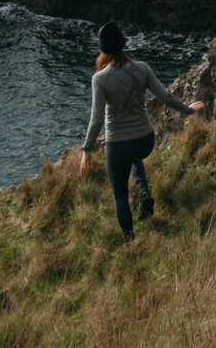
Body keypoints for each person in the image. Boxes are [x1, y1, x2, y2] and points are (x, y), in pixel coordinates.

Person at [77, 21, 204, 242]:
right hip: (145, 140)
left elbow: (97, 119)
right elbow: (165, 97)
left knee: (119, 195)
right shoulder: (143, 68)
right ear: (123, 45)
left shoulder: (100, 79)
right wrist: (188, 109)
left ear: (102, 50)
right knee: (134, 155)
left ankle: (129, 241)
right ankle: (143, 191)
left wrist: (87, 150)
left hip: (117, 145)